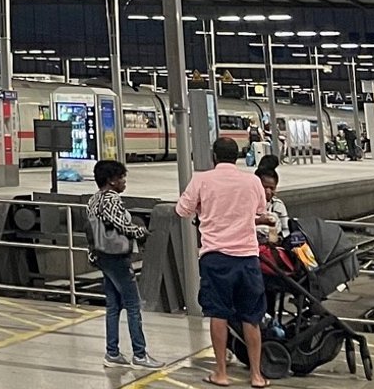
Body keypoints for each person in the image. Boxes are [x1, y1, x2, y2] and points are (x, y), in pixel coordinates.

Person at [176, 137, 274, 388]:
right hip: (248, 257)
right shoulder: (252, 181)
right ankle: (256, 375)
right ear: (238, 156)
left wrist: (203, 207)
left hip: (215, 257)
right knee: (251, 317)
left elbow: (182, 210)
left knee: (218, 314)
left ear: (214, 156)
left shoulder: (201, 179)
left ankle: (221, 372)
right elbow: (260, 210)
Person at [85, 159, 158, 368]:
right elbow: (123, 226)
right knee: (134, 306)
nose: (124, 181)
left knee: (113, 305)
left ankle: (112, 352)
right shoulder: (111, 199)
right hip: (117, 257)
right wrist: (141, 232)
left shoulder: (93, 200)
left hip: (101, 256)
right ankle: (140, 354)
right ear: (111, 180)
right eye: (121, 177)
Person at [255, 166, 289, 244]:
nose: (268, 192)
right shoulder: (248, 204)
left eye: (272, 188)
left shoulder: (278, 205)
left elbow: (286, 230)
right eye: (265, 187)